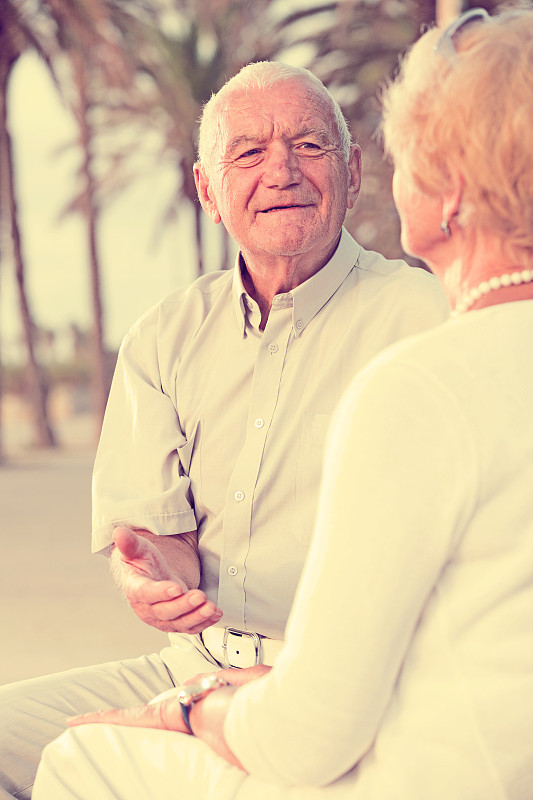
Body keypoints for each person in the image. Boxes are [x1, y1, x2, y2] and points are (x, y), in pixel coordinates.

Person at [32, 7, 533, 798]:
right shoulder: (163, 338)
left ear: (366, 172)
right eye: (249, 153)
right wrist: (153, 573)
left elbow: (318, 717)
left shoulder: (428, 335)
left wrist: (196, 712)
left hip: (342, 689)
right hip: (213, 663)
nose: (283, 172)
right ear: (206, 188)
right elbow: (159, 542)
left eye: (309, 146)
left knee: (77, 761)